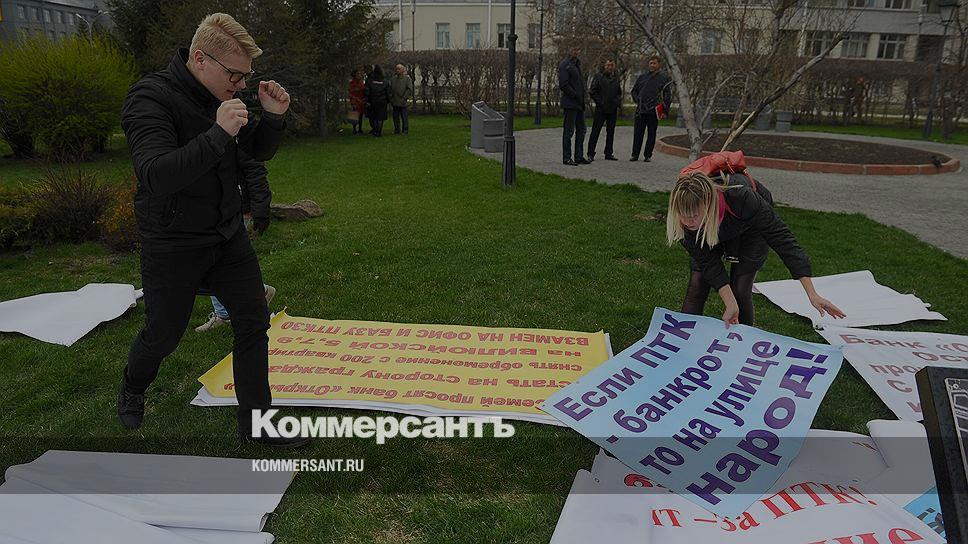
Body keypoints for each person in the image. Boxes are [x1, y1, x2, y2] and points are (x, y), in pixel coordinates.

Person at [118, 12, 307, 447]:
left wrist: (273, 119)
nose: (240, 85)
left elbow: (253, 151)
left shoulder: (218, 93)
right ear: (200, 59)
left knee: (253, 322)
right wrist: (218, 132)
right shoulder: (150, 97)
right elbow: (156, 174)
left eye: (245, 77)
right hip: (173, 241)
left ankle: (256, 424)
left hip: (225, 235)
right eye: (234, 75)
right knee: (163, 335)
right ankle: (133, 385)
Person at [666, 169, 845, 327]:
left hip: (750, 227)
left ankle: (743, 341)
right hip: (713, 225)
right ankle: (683, 339)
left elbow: (782, 239)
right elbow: (708, 263)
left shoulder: (741, 197)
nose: (687, 221)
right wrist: (730, 304)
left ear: (708, 204)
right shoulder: (683, 221)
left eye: (693, 215)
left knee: (740, 287)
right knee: (697, 282)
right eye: (683, 216)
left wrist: (812, 294)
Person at [196, 153, 275, 333]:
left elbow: (255, 170)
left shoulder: (238, 140)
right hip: (210, 212)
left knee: (225, 265)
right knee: (213, 265)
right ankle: (227, 312)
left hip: (236, 211)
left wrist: (260, 209)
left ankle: (251, 299)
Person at [630, 54, 671, 162]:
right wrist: (637, 100)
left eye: (654, 63)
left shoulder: (663, 79)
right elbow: (634, 91)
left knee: (651, 134)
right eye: (651, 63)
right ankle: (635, 154)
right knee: (638, 133)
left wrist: (664, 110)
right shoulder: (642, 77)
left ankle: (648, 155)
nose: (652, 65)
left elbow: (667, 95)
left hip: (654, 111)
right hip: (641, 110)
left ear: (659, 65)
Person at [586, 59, 622, 162]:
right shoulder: (598, 76)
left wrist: (616, 102)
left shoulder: (616, 78)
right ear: (604, 66)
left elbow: (619, 93)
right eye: (608, 65)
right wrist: (600, 102)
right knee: (595, 131)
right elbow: (592, 91)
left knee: (611, 132)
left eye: (611, 65)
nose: (609, 67)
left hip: (612, 109)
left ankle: (608, 153)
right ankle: (590, 153)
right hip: (601, 109)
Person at [558, 46, 589, 166]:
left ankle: (579, 156)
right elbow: (564, 84)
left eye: (577, 49)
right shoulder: (565, 65)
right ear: (569, 50)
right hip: (570, 103)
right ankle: (567, 157)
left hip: (579, 103)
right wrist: (575, 95)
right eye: (573, 49)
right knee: (569, 131)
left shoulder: (577, 64)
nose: (576, 52)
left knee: (582, 130)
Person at [364, 65, 391, 137]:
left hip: (372, 101)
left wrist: (367, 100)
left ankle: (375, 130)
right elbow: (388, 92)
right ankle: (379, 132)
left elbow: (367, 91)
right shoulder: (385, 81)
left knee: (373, 117)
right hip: (382, 101)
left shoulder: (370, 81)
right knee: (380, 117)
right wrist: (388, 100)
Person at [389, 63, 414, 135]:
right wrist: (391, 98)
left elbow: (409, 89)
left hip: (403, 102)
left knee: (404, 117)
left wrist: (404, 97)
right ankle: (397, 130)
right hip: (395, 101)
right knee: (395, 117)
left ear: (403, 70)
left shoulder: (407, 79)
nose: (397, 70)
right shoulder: (393, 79)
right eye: (396, 69)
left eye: (399, 69)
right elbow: (390, 89)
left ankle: (405, 130)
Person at [348, 68, 366, 135]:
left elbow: (363, 91)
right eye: (358, 74)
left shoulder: (361, 82)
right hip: (355, 101)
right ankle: (354, 129)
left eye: (360, 74)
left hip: (361, 101)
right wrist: (354, 101)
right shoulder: (352, 83)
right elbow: (350, 93)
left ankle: (360, 129)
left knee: (360, 115)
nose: (359, 75)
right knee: (354, 115)